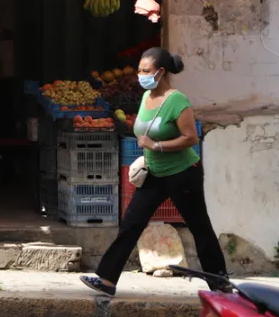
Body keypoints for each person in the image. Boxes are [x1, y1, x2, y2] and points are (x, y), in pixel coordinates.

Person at [81, 48, 229, 296]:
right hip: (154, 173)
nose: (140, 75)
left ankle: (220, 283)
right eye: (139, 70)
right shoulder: (146, 97)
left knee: (198, 226)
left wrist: (157, 145)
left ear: (160, 72)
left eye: (145, 71)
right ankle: (107, 280)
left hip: (183, 173)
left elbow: (191, 138)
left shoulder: (176, 100)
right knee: (131, 223)